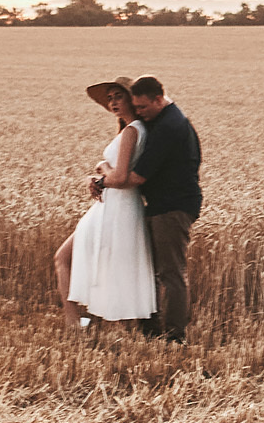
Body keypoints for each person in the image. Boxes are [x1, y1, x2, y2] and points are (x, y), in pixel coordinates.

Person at [54, 77, 157, 330]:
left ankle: (75, 324)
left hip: (116, 205)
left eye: (118, 96)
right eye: (109, 98)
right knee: (112, 264)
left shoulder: (133, 130)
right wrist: (103, 176)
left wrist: (100, 172)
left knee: (65, 258)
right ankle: (93, 324)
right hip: (113, 203)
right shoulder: (132, 130)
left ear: (131, 99)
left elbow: (120, 176)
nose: (112, 102)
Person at [127, 74, 201, 342]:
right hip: (167, 204)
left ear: (159, 98)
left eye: (143, 107)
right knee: (161, 270)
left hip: (172, 207)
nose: (139, 112)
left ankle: (174, 336)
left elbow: (137, 177)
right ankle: (153, 329)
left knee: (171, 272)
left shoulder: (169, 126)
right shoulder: (168, 120)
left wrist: (104, 178)